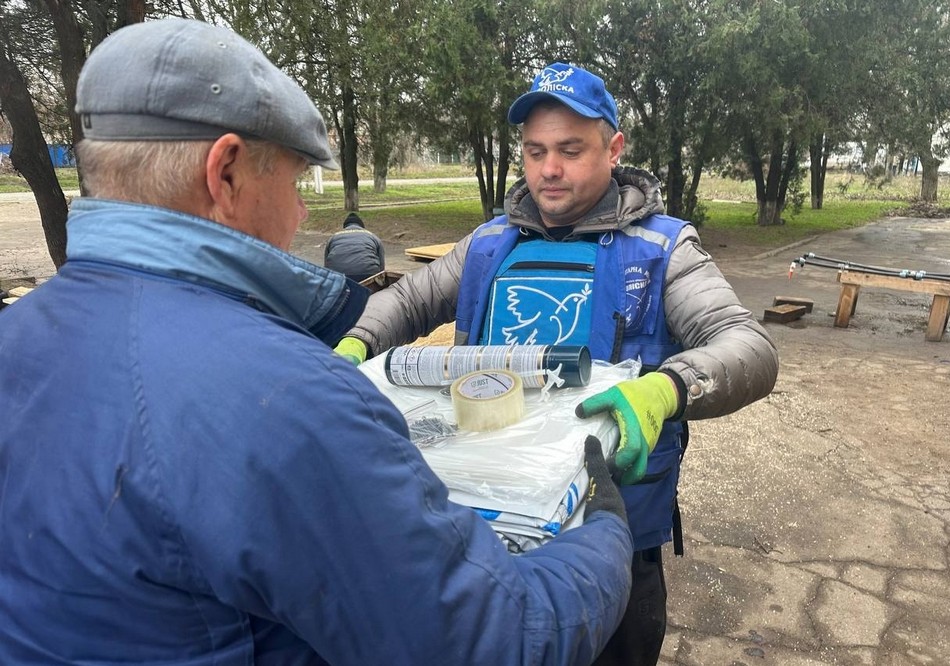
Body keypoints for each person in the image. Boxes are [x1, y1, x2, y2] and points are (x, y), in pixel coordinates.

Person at [0, 26, 635, 665]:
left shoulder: (14, 337)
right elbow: (493, 641)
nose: (303, 215)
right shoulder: (288, 399)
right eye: (296, 182)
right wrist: (602, 534)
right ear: (224, 173)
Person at [334, 62, 780, 665]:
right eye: (535, 150)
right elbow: (408, 299)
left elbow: (747, 346)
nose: (548, 169)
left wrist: (666, 390)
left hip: (612, 529)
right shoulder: (489, 244)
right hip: (486, 517)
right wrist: (357, 341)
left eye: (571, 150)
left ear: (614, 148)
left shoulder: (663, 251)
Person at [323, 211, 385, 282]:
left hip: (339, 276)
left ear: (345, 227)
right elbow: (382, 268)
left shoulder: (333, 237)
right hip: (368, 273)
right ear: (361, 226)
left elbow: (326, 267)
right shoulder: (373, 236)